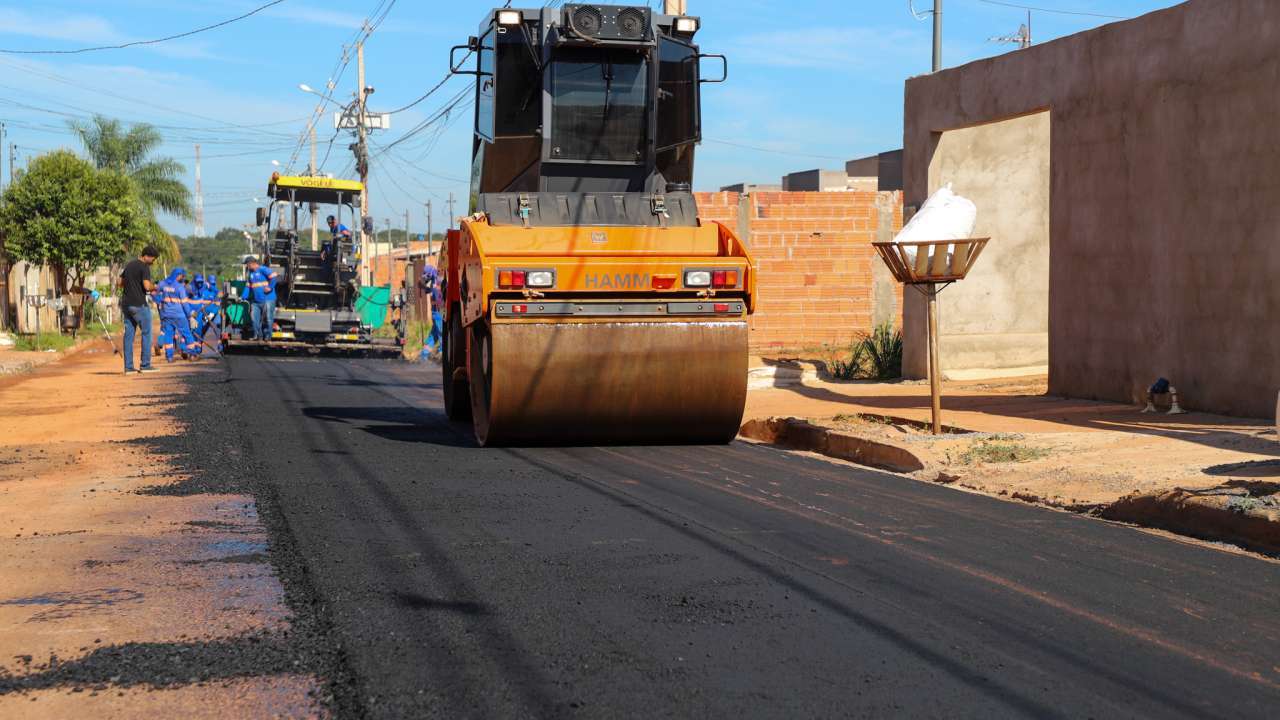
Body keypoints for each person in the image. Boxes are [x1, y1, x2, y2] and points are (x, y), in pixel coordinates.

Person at [118, 245, 160, 374]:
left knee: (129, 335)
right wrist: (155, 287)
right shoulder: (144, 267)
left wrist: (132, 285)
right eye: (153, 259)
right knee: (147, 333)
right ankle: (145, 365)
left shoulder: (130, 265)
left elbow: (120, 283)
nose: (153, 262)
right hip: (139, 304)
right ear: (147, 256)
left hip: (126, 304)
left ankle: (128, 367)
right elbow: (147, 286)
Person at [156, 267, 201, 362]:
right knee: (187, 334)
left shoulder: (162, 284)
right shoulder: (179, 287)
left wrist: (159, 303)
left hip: (166, 315)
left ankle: (169, 357)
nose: (183, 278)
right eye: (182, 276)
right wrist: (190, 316)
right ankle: (192, 354)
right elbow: (184, 304)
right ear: (178, 275)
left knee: (168, 335)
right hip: (179, 315)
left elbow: (154, 293)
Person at [244, 256, 280, 340]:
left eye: (247, 264)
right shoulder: (250, 273)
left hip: (268, 299)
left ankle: (267, 336)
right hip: (256, 301)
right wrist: (243, 297)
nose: (247, 266)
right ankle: (257, 336)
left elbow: (274, 277)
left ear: (251, 263)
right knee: (254, 318)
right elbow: (248, 286)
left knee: (268, 318)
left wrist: (270, 287)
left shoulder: (263, 269)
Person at [420, 265, 444, 358]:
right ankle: (425, 353)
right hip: (435, 312)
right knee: (436, 333)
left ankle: (441, 352)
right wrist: (423, 287)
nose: (426, 278)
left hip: (438, 311)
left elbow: (437, 294)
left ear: (430, 273)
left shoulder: (438, 280)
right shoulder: (433, 280)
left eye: (427, 275)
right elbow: (430, 290)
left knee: (439, 332)